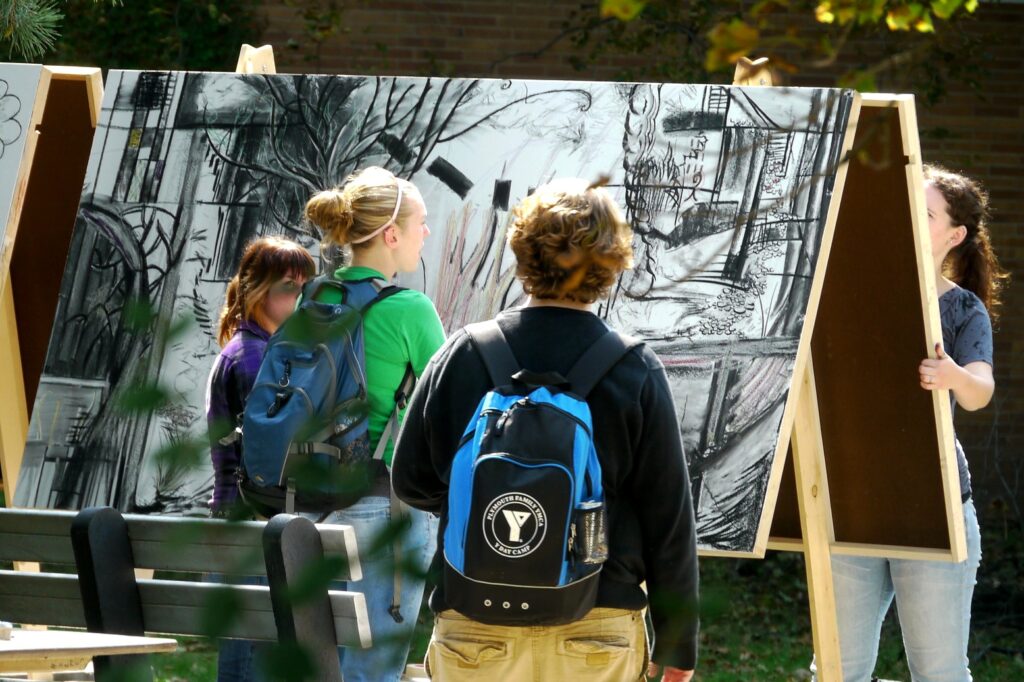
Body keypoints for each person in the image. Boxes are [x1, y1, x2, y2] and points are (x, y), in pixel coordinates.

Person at [391, 178, 699, 682]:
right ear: (609, 263)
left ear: (523, 253)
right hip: (598, 623)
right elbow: (669, 518)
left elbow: (411, 481)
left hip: (475, 618)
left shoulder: (463, 354)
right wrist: (678, 643)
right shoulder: (634, 368)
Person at [816, 165, 1007, 682]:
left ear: (954, 235)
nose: (906, 220)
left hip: (935, 505)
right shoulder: (846, 289)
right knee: (835, 672)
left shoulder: (964, 309)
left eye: (923, 213)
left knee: (939, 672)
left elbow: (980, 393)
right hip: (850, 505)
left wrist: (952, 375)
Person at [303, 166, 445, 682]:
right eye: (420, 223)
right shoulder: (411, 309)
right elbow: (448, 409)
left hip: (312, 506)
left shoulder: (317, 297)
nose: (425, 233)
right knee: (371, 672)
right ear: (391, 235)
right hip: (385, 507)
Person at [206, 235, 316, 681]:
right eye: (289, 287)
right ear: (258, 289)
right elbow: (270, 450)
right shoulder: (255, 358)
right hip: (253, 521)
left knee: (243, 653)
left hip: (235, 517)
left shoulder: (244, 347)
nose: (300, 297)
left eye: (304, 287)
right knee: (251, 657)